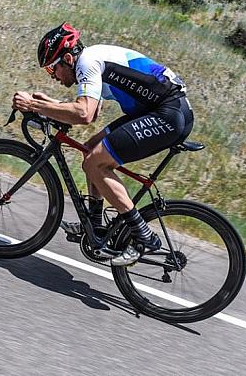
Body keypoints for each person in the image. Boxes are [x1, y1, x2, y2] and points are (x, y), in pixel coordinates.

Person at [12, 23, 194, 266]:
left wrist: (35, 106)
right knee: (91, 148)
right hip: (163, 111)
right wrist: (51, 106)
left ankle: (144, 236)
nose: (53, 76)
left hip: (168, 115)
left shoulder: (88, 62)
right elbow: (92, 111)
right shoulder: (91, 60)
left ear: (67, 59)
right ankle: (95, 225)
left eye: (52, 69)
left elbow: (84, 114)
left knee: (95, 163)